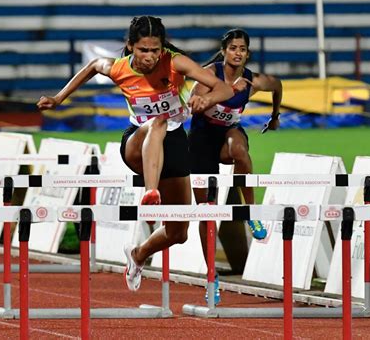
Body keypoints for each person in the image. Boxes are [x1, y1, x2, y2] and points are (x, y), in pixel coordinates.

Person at [37, 16, 234, 292]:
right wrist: (59, 98)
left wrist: (207, 99)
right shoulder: (119, 68)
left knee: (179, 233)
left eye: (155, 50)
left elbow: (223, 88)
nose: (150, 57)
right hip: (136, 142)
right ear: (130, 46)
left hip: (174, 144)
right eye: (143, 50)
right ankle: (151, 193)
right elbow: (93, 66)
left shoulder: (175, 62)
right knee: (158, 122)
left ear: (162, 48)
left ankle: (138, 254)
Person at [188, 28, 282, 304]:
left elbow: (277, 85)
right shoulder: (208, 75)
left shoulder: (253, 80)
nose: (238, 52)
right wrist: (229, 91)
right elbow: (194, 105)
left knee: (240, 151)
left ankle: (251, 212)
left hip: (228, 134)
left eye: (242, 48)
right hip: (203, 139)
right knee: (207, 212)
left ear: (247, 53)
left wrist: (275, 116)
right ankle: (211, 277)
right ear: (224, 51)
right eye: (233, 48)